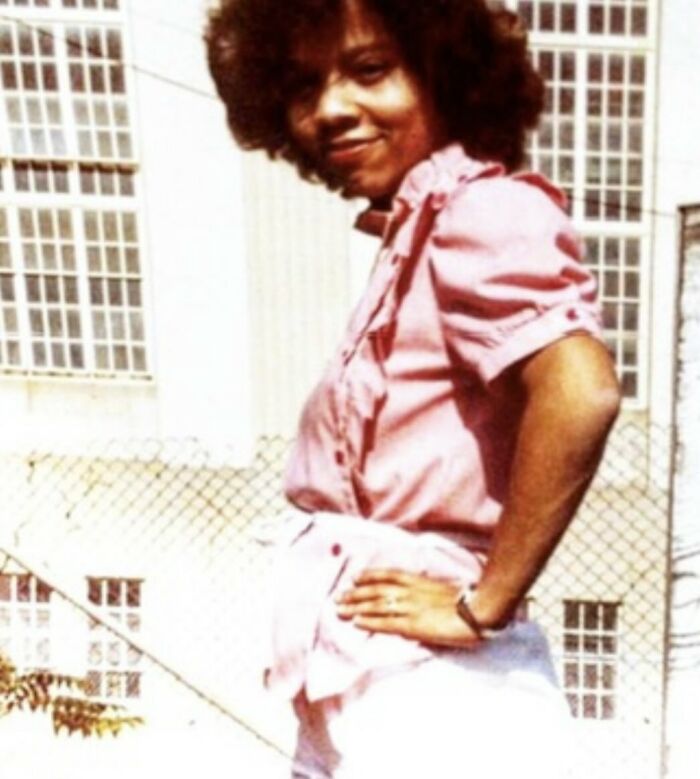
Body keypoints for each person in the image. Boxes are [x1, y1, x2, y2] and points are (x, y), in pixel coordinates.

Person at [206, 0, 621, 776]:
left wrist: (482, 604)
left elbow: (581, 388)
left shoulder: (481, 208)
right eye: (302, 88)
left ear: (446, 75)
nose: (331, 109)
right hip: (368, 681)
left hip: (437, 692)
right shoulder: (417, 230)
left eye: (370, 70)